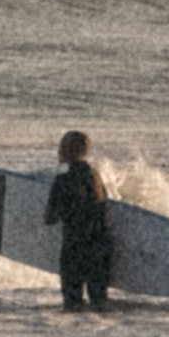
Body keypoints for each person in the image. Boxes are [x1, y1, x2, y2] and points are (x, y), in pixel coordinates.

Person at [43, 127, 115, 313]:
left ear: (68, 150)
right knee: (99, 304)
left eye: (61, 147)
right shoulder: (96, 176)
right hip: (101, 246)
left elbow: (49, 218)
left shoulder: (62, 180)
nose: (58, 151)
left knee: (72, 305)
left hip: (75, 248)